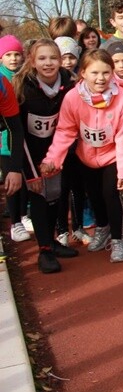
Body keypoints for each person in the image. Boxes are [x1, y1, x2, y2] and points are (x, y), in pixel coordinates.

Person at [41, 49, 123, 263]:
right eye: (94, 73)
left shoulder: (122, 99)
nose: (100, 78)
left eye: (106, 73)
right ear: (83, 73)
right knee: (94, 195)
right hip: (86, 156)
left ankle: (119, 240)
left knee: (111, 193)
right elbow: (65, 130)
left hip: (112, 156)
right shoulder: (73, 98)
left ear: (112, 73)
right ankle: (102, 228)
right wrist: (52, 159)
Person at [15, 40, 81, 271]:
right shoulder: (23, 88)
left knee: (56, 195)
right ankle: (43, 250)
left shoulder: (71, 84)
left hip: (58, 151)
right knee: (39, 196)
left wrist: (62, 153)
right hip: (31, 154)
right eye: (42, 59)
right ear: (32, 62)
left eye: (53, 58)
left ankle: (52, 241)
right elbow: (18, 133)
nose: (48, 63)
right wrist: (30, 172)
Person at [0, 35, 29, 242]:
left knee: (21, 178)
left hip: (15, 135)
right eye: (8, 55)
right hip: (4, 140)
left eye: (16, 54)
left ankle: (21, 217)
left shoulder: (15, 81)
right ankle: (16, 221)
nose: (13, 59)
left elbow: (15, 126)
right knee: (12, 179)